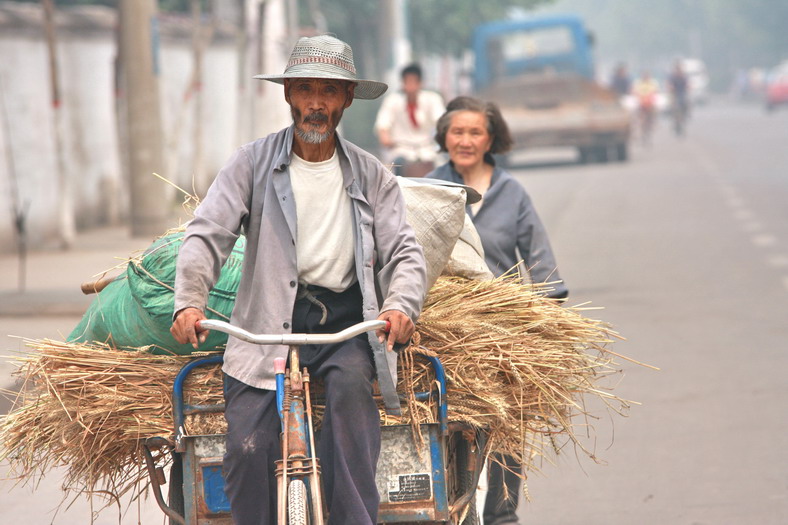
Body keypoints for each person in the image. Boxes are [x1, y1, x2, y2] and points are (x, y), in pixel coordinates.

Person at [170, 35, 427, 525]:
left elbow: (404, 252)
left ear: (347, 99)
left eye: (328, 92)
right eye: (305, 89)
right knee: (247, 446)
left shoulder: (372, 176)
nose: (315, 103)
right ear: (287, 93)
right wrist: (189, 301)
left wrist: (401, 306)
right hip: (264, 325)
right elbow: (208, 233)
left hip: (344, 326)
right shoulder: (250, 163)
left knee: (353, 400)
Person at [426, 96, 568, 525]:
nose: (465, 140)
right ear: (444, 137)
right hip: (447, 333)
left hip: (505, 332)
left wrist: (546, 322)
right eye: (457, 132)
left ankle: (502, 515)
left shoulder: (512, 192)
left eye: (475, 132)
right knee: (453, 429)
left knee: (507, 426)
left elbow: (542, 265)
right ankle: (460, 513)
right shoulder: (430, 190)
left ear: (491, 139)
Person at [374, 63, 445, 177]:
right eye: (407, 81)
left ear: (420, 83)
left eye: (414, 81)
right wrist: (385, 137)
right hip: (401, 149)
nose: (410, 86)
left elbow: (441, 122)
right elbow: (383, 124)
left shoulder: (432, 99)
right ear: (402, 83)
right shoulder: (392, 101)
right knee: (395, 171)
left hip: (427, 150)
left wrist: (442, 137)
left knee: (441, 172)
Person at [667, 60, 690, 135]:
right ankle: (672, 116)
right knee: (672, 106)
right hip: (675, 94)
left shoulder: (684, 76)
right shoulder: (672, 77)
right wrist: (671, 87)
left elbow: (688, 85)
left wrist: (688, 87)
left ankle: (686, 114)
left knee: (687, 103)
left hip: (682, 94)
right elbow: (669, 85)